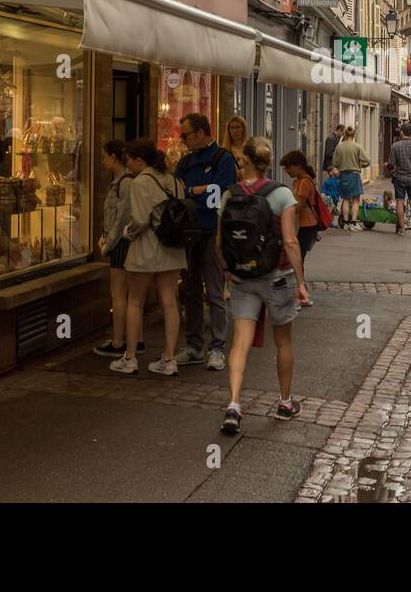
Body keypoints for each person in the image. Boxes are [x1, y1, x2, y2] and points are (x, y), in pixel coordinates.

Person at [216, 137, 310, 435]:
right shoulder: (282, 194)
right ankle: (284, 402)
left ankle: (233, 404)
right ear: (268, 163)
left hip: (243, 277)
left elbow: (219, 243)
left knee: (240, 341)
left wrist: (228, 270)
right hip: (277, 277)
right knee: (283, 340)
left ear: (245, 160)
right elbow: (291, 241)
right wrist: (301, 282)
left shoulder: (229, 194)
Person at [112, 139, 187, 376]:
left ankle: (130, 356)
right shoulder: (175, 181)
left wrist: (125, 233)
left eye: (129, 161)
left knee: (135, 300)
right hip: (172, 248)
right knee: (169, 301)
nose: (128, 166)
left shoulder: (140, 182)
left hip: (145, 248)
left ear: (139, 160)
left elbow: (140, 221)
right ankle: (168, 358)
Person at [174, 113, 237, 371]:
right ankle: (194, 346)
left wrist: (193, 194)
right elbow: (176, 191)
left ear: (201, 132)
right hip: (187, 232)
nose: (183, 139)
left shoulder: (223, 159)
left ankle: (217, 348)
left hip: (212, 232)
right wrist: (194, 192)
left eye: (186, 134)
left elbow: (219, 194)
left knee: (214, 292)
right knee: (190, 291)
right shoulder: (185, 162)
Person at [93, 139, 145, 359]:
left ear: (113, 157)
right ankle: (137, 339)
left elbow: (121, 217)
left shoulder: (124, 182)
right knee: (132, 295)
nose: (103, 161)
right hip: (125, 241)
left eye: (104, 156)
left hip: (122, 244)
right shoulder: (125, 180)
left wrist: (108, 243)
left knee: (119, 293)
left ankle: (118, 341)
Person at [280, 149, 320, 308]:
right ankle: (300, 291)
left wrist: (283, 209)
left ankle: (301, 293)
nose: (286, 171)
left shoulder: (304, 182)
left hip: (306, 225)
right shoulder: (297, 181)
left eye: (288, 167)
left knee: (297, 259)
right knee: (296, 259)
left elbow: (300, 205)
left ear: (297, 166)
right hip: (301, 224)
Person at [387, 124, 411, 236]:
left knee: (400, 201)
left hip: (399, 177)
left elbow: (391, 164)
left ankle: (403, 230)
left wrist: (390, 167)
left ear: (401, 132)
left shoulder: (395, 146)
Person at [332, 125, 370, 230]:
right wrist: (361, 165)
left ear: (344, 134)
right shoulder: (357, 147)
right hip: (354, 175)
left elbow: (334, 162)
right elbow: (367, 160)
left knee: (345, 199)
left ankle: (345, 223)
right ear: (353, 135)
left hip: (343, 175)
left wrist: (340, 166)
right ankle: (353, 223)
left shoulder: (339, 147)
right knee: (356, 199)